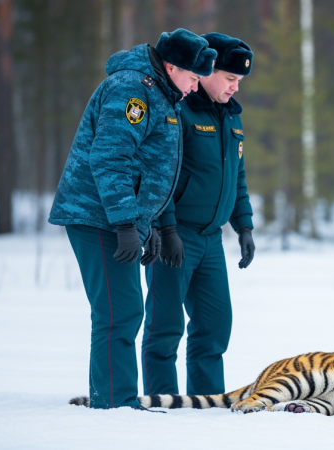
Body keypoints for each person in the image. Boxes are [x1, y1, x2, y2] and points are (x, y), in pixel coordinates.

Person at [48, 29, 217, 410]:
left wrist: (161, 224)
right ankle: (114, 403)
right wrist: (127, 224)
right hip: (96, 215)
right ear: (172, 67)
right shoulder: (132, 90)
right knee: (119, 309)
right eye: (192, 78)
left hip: (119, 217)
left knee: (123, 309)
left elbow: (158, 171)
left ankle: (115, 397)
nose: (194, 88)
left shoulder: (163, 93)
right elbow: (109, 158)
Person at [141, 33, 255, 396]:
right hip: (175, 234)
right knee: (166, 325)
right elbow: (163, 176)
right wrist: (167, 227)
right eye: (230, 78)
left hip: (211, 241)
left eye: (239, 81)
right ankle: (163, 401)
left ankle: (206, 402)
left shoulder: (232, 119)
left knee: (215, 325)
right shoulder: (180, 110)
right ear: (205, 71)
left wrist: (244, 225)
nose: (235, 88)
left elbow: (237, 177)